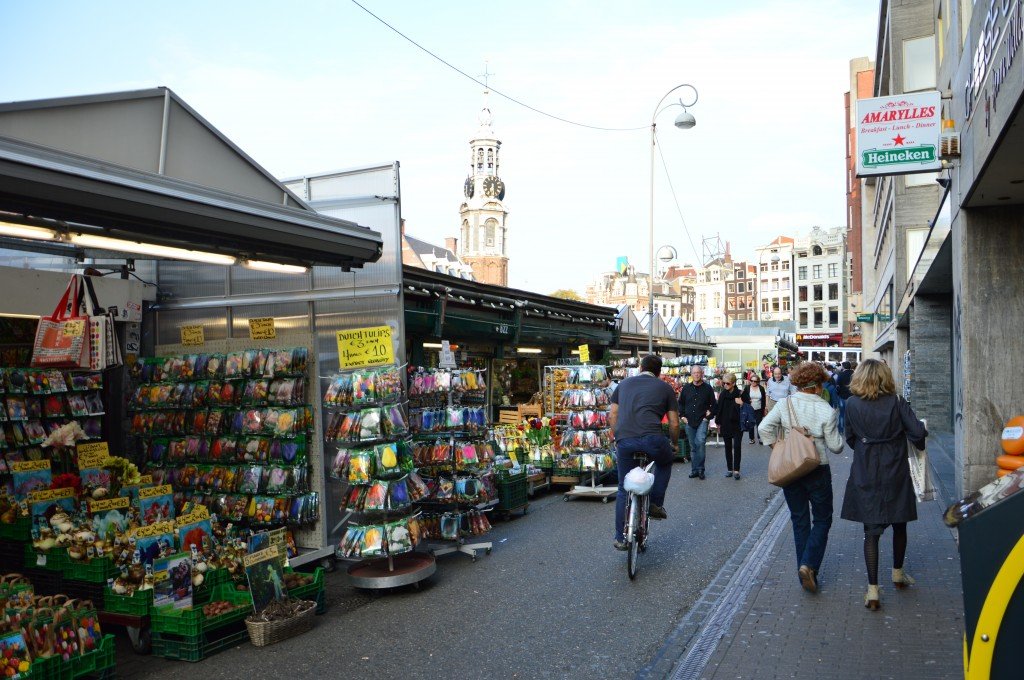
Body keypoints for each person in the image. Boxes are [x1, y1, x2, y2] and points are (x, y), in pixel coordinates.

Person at [840, 359, 927, 611]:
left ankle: (873, 591)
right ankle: (898, 574)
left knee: (871, 532)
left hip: (866, 469)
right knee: (899, 523)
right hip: (896, 467)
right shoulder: (897, 402)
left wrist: (868, 448)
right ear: (885, 377)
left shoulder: (852, 404)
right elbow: (918, 434)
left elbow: (850, 438)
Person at [758, 362, 844, 594]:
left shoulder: (786, 403)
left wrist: (777, 446)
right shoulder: (826, 409)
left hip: (792, 469)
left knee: (799, 520)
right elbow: (836, 447)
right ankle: (810, 565)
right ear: (817, 386)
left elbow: (764, 427)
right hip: (817, 468)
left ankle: (803, 571)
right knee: (823, 519)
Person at [609, 354, 680, 551]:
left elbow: (613, 415)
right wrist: (674, 444)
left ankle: (620, 538)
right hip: (653, 439)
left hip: (625, 440)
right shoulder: (665, 388)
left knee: (624, 487)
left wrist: (618, 436)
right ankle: (655, 504)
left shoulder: (623, 385)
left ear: (640, 367)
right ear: (659, 372)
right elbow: (674, 423)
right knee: (665, 462)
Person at [679, 365, 716, 480]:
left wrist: (708, 417)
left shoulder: (708, 388)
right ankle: (694, 470)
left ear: (702, 374)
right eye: (694, 373)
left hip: (702, 421)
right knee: (693, 446)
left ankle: (700, 469)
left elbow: (714, 406)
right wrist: (682, 416)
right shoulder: (686, 388)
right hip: (689, 421)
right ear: (691, 374)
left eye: (698, 372)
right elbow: (680, 404)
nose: (696, 374)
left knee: (700, 442)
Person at [715, 373, 744, 479]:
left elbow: (748, 406)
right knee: (727, 447)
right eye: (724, 383)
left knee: (737, 446)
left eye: (728, 383)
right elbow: (719, 409)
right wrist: (718, 423)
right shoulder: (723, 394)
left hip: (737, 424)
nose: (725, 385)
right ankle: (729, 469)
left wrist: (742, 404)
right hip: (726, 424)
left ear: (733, 383)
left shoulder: (740, 393)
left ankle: (736, 470)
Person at [741, 376, 767, 444]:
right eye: (751, 380)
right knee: (751, 424)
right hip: (750, 409)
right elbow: (742, 397)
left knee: (759, 424)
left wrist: (764, 408)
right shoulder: (747, 388)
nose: (753, 382)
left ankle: (760, 438)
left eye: (755, 381)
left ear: (758, 382)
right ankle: (751, 438)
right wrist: (748, 400)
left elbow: (763, 399)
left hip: (759, 408)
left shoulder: (761, 388)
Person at [834, 361, 854, 434]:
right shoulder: (854, 374)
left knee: (842, 414)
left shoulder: (841, 374)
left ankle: (841, 430)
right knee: (851, 414)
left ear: (843, 367)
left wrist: (838, 393)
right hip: (852, 397)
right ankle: (851, 430)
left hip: (842, 396)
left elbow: (838, 385)